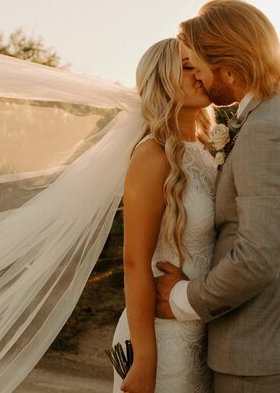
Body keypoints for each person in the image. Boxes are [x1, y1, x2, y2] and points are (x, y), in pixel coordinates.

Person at [154, 0, 280, 393]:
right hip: (275, 342)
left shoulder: (269, 129)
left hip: (257, 350)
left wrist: (182, 299)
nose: (195, 75)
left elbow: (257, 258)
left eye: (197, 64)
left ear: (228, 67)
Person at [112, 38, 217, 393]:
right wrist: (144, 360)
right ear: (163, 80)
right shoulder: (152, 155)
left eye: (199, 65)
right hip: (162, 337)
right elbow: (134, 263)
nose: (199, 75)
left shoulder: (207, 151)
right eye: (187, 68)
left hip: (202, 324)